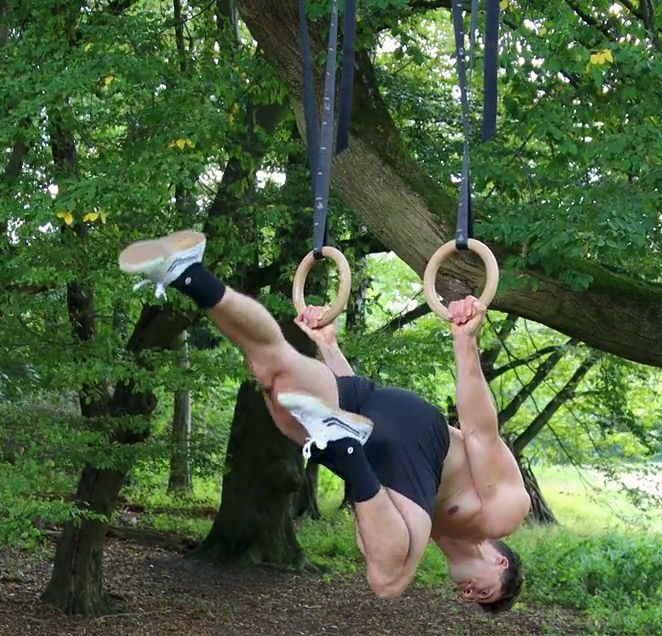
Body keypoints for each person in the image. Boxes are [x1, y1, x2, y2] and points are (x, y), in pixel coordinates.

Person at [119, 230, 531, 610]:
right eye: (487, 593)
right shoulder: (504, 514)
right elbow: (479, 432)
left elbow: (377, 474)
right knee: (388, 581)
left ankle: (187, 272)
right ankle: (347, 445)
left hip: (372, 413)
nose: (472, 596)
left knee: (273, 372)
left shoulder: (428, 531)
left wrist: (328, 346)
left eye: (475, 602)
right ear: (500, 563)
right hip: (421, 432)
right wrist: (464, 341)